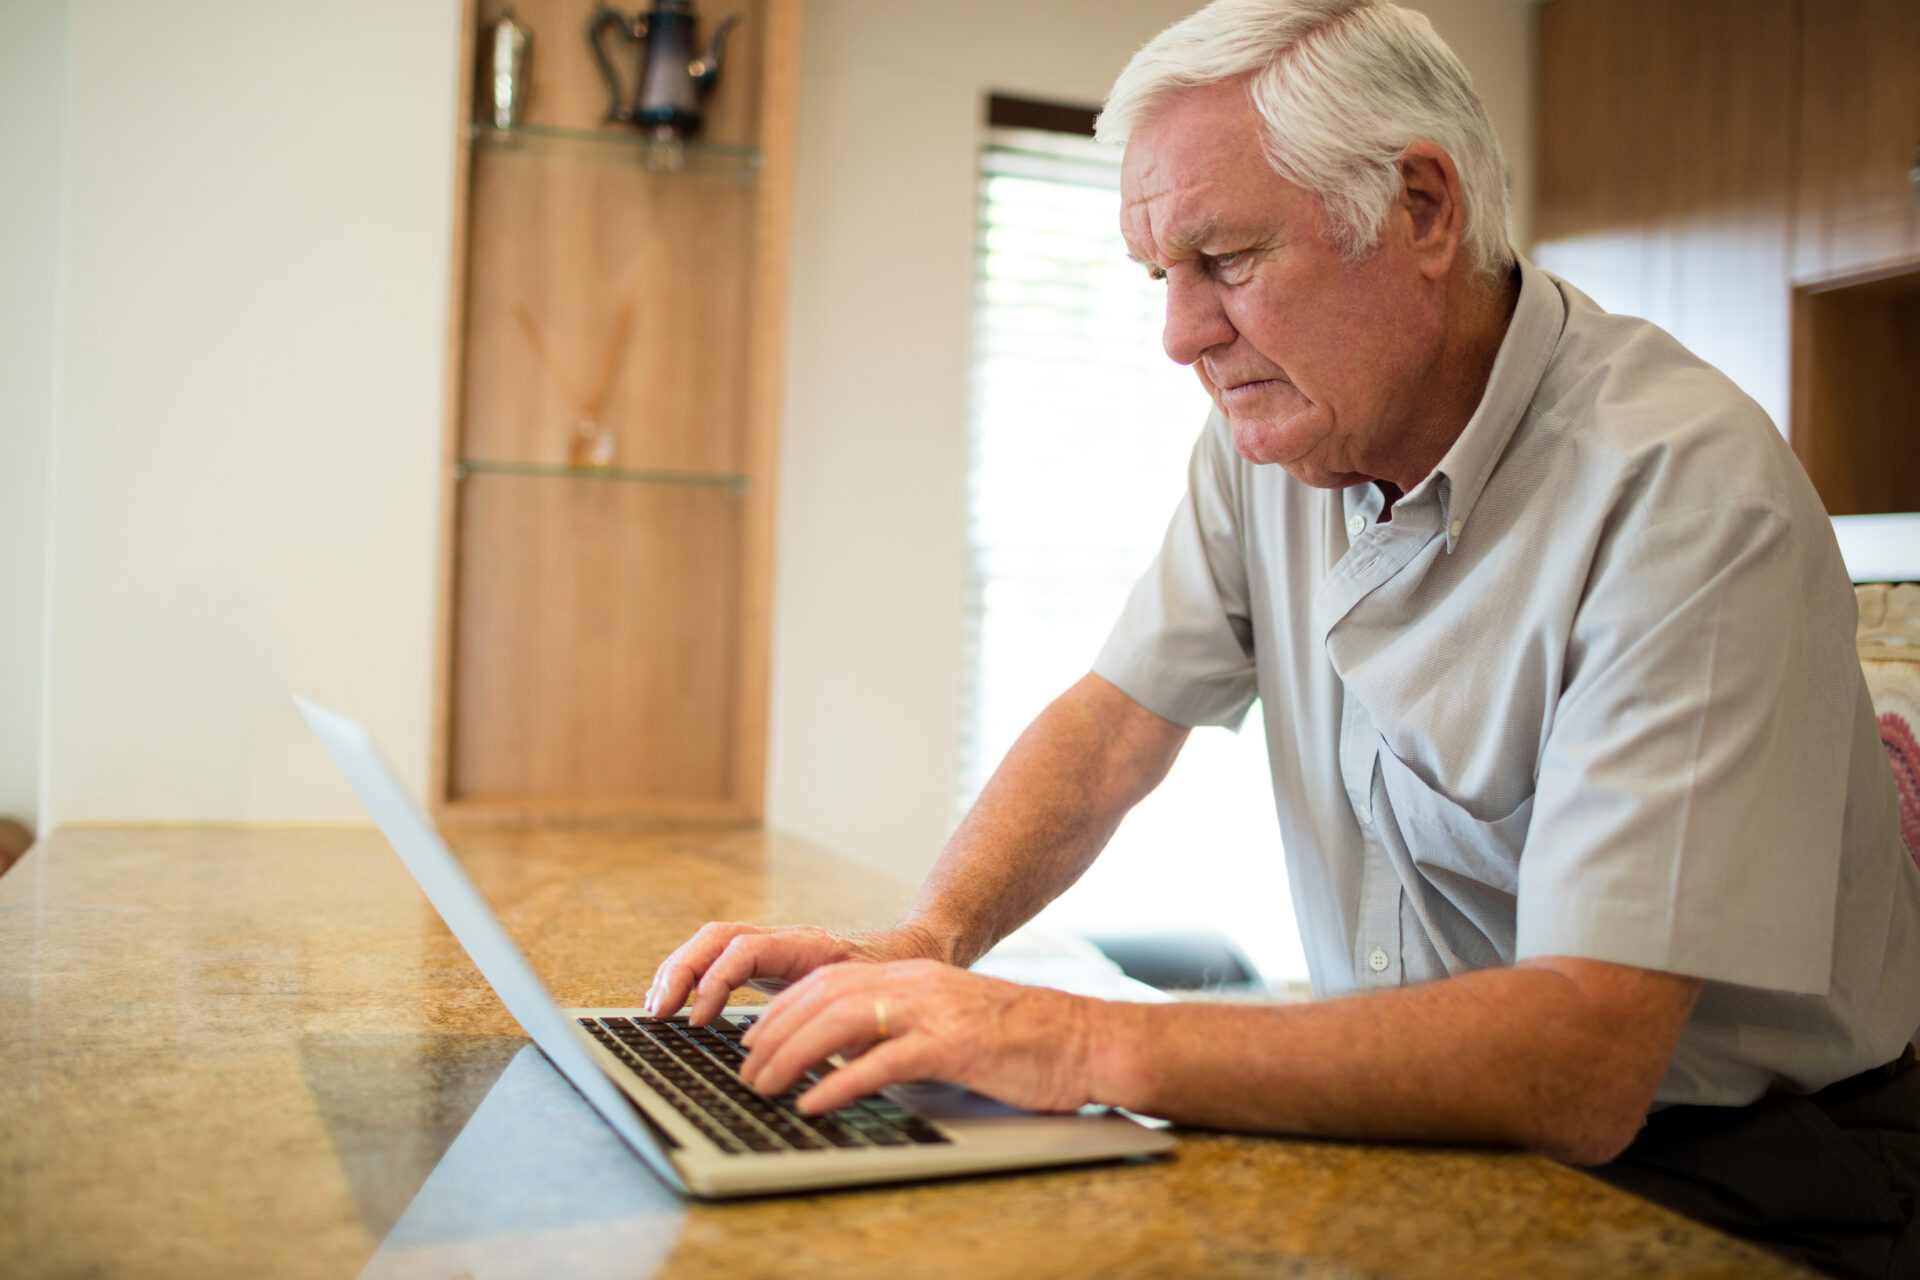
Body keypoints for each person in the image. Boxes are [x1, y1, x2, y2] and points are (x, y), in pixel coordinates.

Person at [648, 2, 1920, 1273]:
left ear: (1423, 208)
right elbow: (1112, 727)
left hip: (1740, 1168)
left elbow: (1585, 1061)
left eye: (1229, 258)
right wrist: (932, 942)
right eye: (1164, 275)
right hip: (1456, 1126)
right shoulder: (1283, 434)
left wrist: (1074, 1040)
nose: (1180, 334)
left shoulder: (1679, 489)